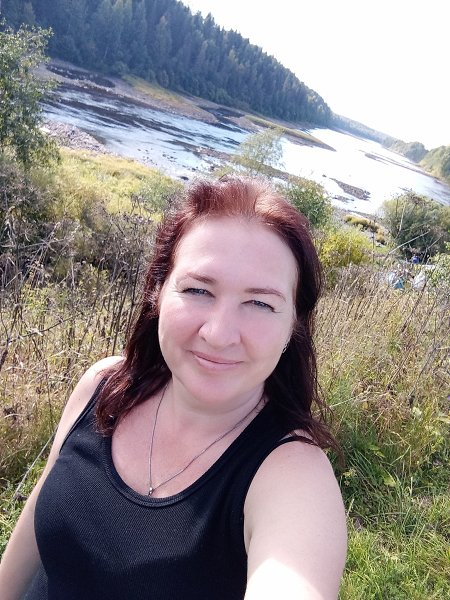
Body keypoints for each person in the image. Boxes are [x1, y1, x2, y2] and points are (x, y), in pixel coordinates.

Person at [0, 176, 347, 599]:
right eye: (199, 290)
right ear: (158, 291)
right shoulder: (103, 387)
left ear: (294, 324)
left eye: (259, 302)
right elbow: (29, 538)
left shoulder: (294, 476)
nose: (219, 334)